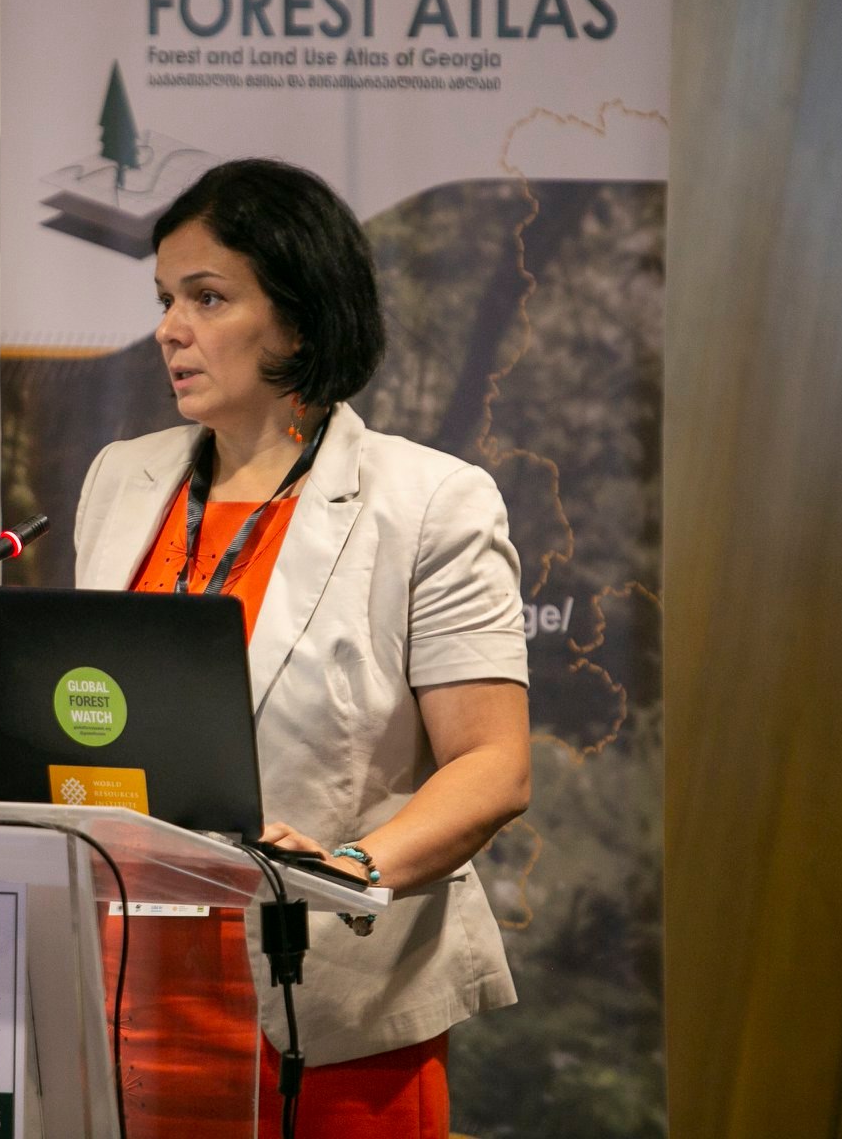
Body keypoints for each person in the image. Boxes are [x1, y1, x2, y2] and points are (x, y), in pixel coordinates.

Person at [71, 159, 532, 1138]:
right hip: (124, 999)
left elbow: (493, 765)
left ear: (302, 318)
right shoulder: (120, 479)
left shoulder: (430, 503)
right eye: (164, 300)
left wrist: (348, 867)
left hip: (327, 1011)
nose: (170, 329)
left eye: (207, 297)